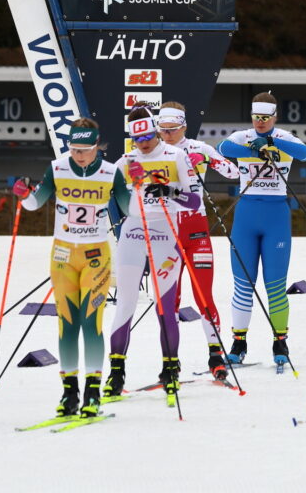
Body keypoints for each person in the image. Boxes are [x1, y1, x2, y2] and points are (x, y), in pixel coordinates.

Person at [12, 118, 131, 418]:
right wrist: (24, 194)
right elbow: (35, 203)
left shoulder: (110, 172)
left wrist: (138, 186)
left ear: (97, 147)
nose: (78, 155)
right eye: (74, 149)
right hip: (63, 257)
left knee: (91, 322)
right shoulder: (57, 168)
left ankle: (93, 392)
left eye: (85, 149)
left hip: (95, 258)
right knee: (67, 324)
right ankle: (69, 393)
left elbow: (130, 209)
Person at [105, 107, 202, 401]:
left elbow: (195, 201)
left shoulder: (175, 157)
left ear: (156, 131)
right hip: (134, 233)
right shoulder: (126, 161)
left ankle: (170, 370)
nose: (144, 143)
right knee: (125, 305)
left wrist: (169, 192)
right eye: (137, 138)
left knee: (165, 306)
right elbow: (107, 194)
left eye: (148, 135)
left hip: (165, 234)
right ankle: (116, 373)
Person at [218, 92, 306, 367]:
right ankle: (238, 341)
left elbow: (305, 154)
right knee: (243, 285)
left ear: (274, 117)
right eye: (256, 118)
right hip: (246, 214)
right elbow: (223, 148)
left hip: (276, 217)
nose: (259, 123)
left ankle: (280, 341)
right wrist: (253, 149)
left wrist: (271, 142)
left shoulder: (284, 136)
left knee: (275, 286)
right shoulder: (243, 136)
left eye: (265, 118)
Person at [156, 102, 241, 379]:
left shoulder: (199, 148)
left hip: (196, 230)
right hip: (166, 231)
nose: (167, 135)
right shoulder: (152, 152)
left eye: (172, 129)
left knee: (204, 296)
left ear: (184, 126)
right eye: (163, 130)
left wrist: (208, 161)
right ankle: (170, 360)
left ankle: (215, 355)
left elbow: (233, 172)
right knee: (170, 300)